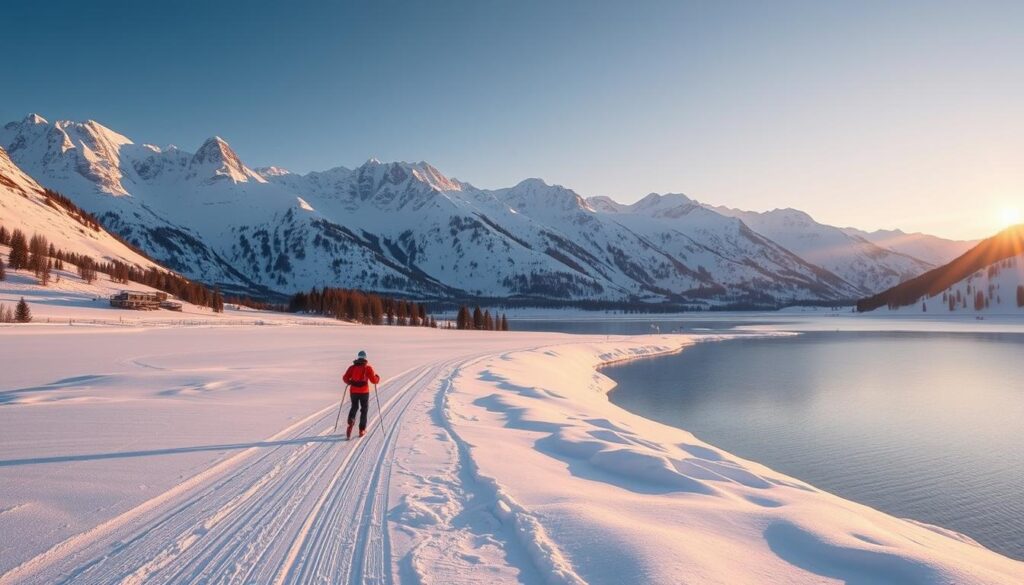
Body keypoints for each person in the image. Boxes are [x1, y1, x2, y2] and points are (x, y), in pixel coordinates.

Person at [342, 350, 381, 438]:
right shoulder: (368, 368)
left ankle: (351, 422)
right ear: (365, 358)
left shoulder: (352, 368)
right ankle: (361, 430)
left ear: (358, 357)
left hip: (354, 391)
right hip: (364, 392)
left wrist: (350, 382)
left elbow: (345, 378)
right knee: (364, 410)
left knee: (354, 406)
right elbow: (373, 380)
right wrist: (377, 378)